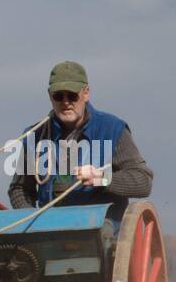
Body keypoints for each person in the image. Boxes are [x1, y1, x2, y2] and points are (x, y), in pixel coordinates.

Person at [8, 61, 153, 220]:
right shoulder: (34, 136)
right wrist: (32, 222)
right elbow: (19, 190)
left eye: (72, 95)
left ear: (86, 93)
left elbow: (143, 182)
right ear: (50, 96)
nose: (65, 102)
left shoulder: (113, 129)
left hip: (103, 231)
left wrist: (101, 178)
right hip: (48, 231)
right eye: (58, 96)